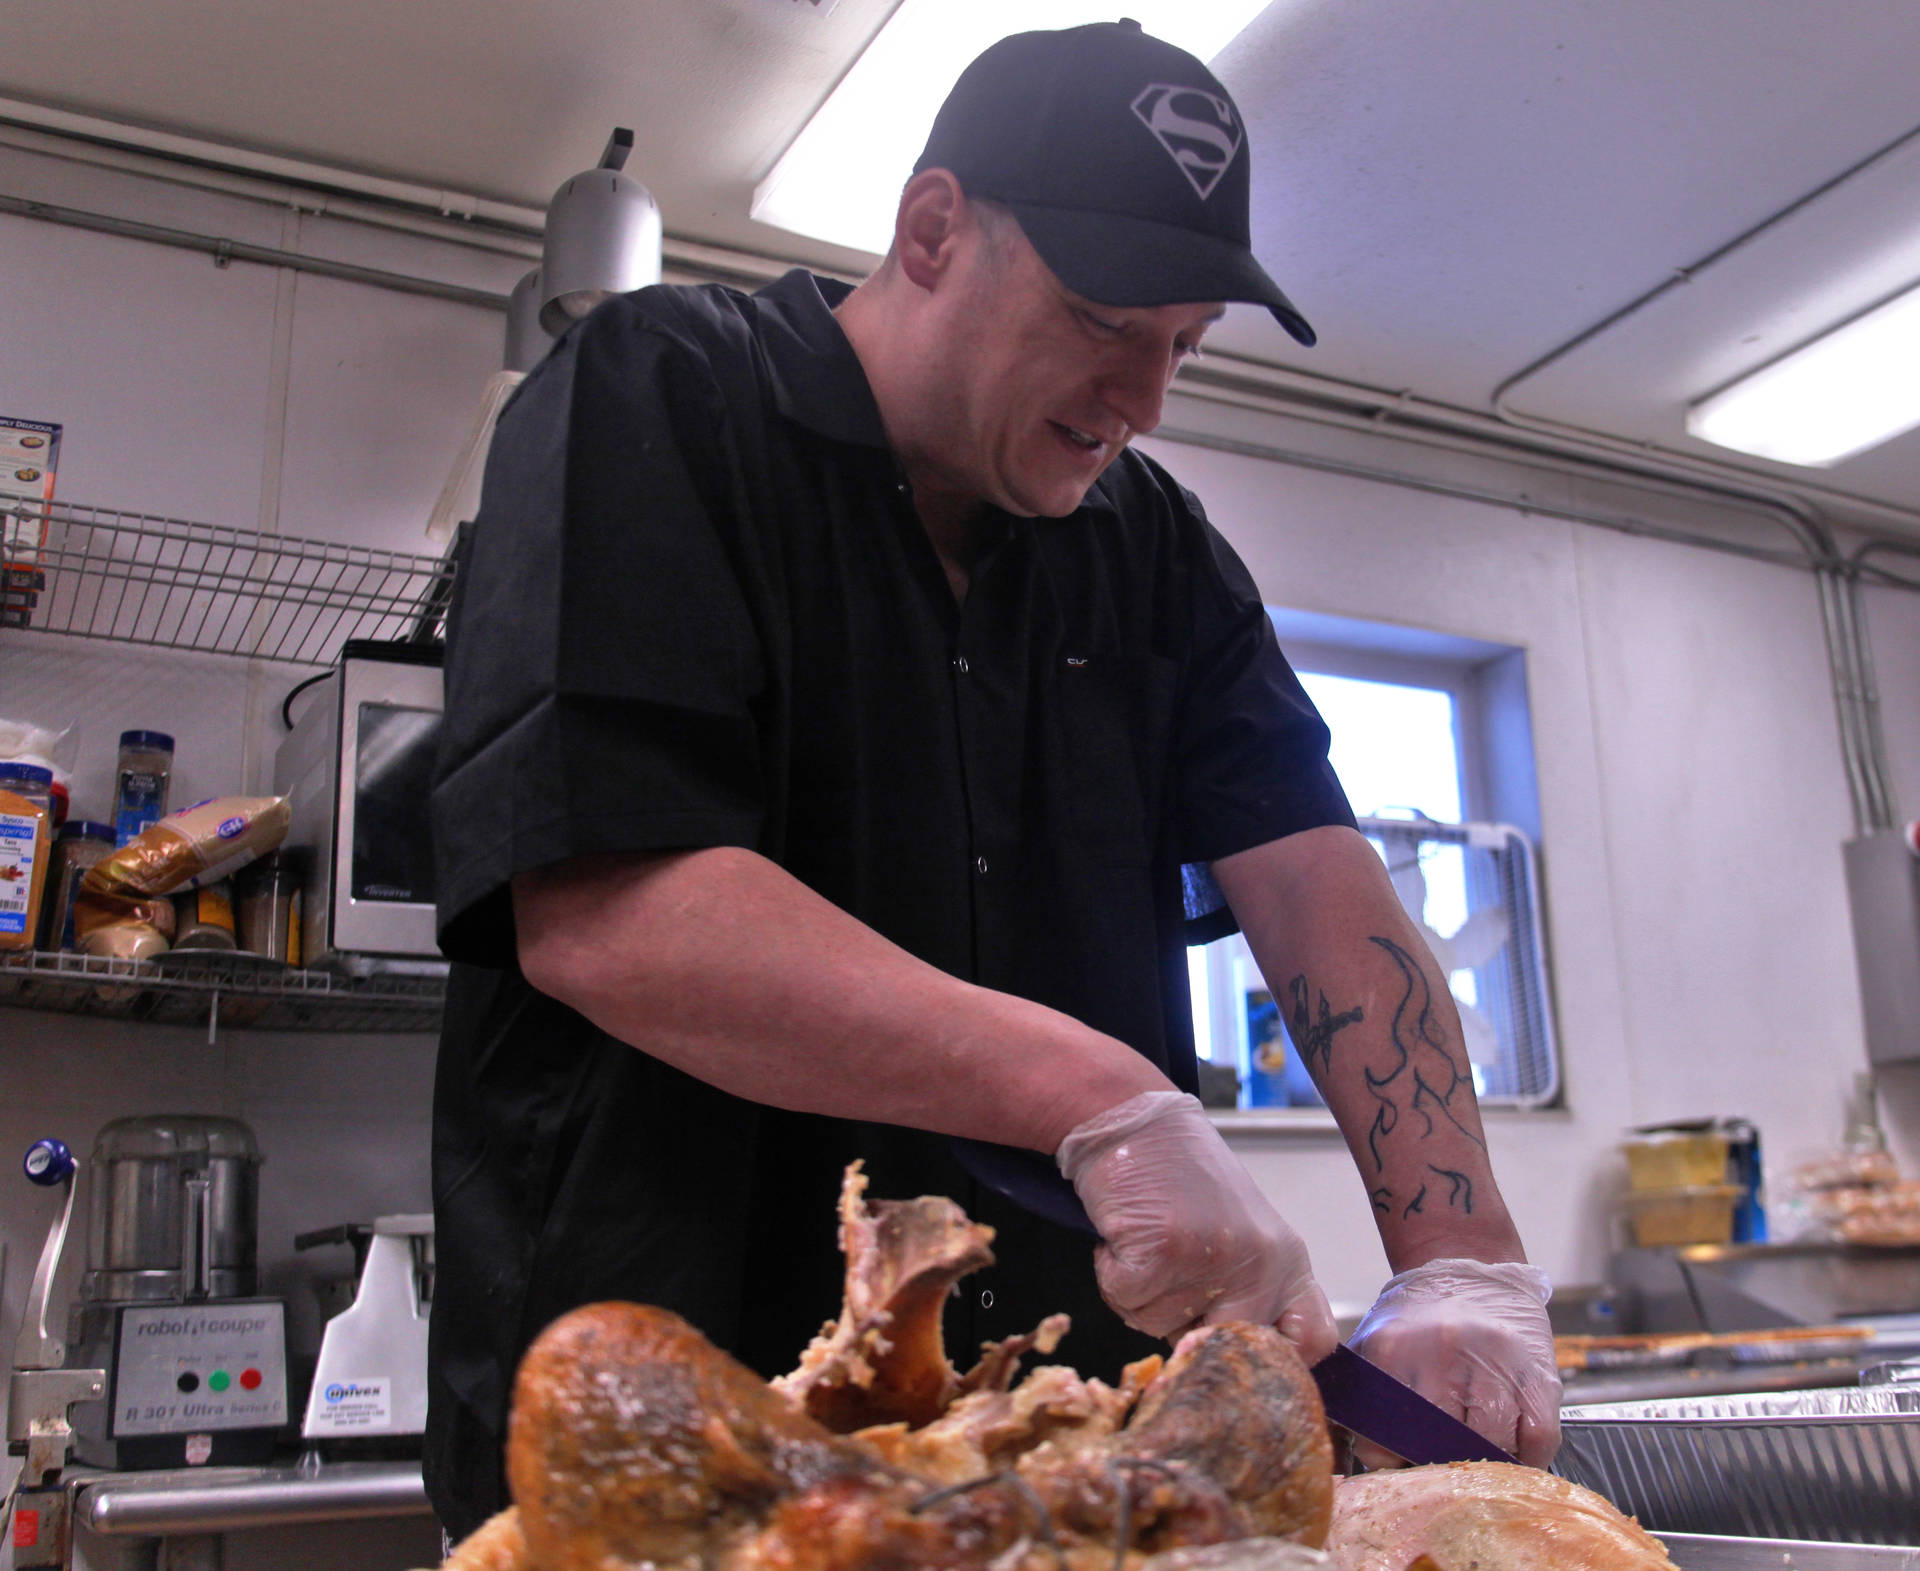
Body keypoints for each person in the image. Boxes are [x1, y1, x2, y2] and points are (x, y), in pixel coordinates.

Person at [425, 19, 1561, 1541]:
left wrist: (1464, 1257)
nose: (1145, 396)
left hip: (1059, 1462)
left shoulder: (1157, 557)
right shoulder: (656, 398)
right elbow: (614, 903)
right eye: (1103, 322)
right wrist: (1103, 1101)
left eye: (1185, 345)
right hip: (672, 1452)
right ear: (932, 230)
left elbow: (1311, 879)